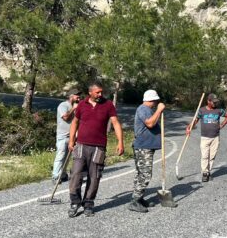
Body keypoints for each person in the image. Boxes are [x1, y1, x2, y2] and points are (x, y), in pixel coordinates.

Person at [67, 82, 124, 218]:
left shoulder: (108, 104)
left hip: (99, 147)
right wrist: (71, 140)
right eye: (97, 92)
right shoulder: (82, 104)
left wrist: (120, 142)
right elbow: (75, 122)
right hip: (81, 145)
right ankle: (75, 202)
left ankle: (88, 204)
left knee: (94, 176)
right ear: (90, 93)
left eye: (101, 92)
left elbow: (115, 123)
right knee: (76, 174)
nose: (100, 94)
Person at [128, 89, 167, 213]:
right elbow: (150, 123)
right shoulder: (143, 109)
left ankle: (139, 198)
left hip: (146, 146)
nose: (157, 102)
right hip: (143, 147)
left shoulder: (147, 110)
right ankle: (134, 201)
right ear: (152, 99)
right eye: (156, 101)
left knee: (140, 174)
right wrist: (159, 110)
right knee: (145, 174)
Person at [185, 93, 227, 182]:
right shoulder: (202, 110)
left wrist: (222, 125)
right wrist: (189, 127)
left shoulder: (219, 110)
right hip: (205, 137)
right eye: (213, 102)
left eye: (216, 102)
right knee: (205, 156)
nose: (215, 103)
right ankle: (205, 173)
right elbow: (195, 120)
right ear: (208, 101)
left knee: (212, 156)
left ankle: (209, 171)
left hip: (215, 137)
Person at [51, 89, 81, 184]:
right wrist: (73, 108)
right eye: (77, 96)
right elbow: (65, 117)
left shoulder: (77, 107)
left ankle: (63, 175)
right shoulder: (63, 105)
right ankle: (55, 176)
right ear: (71, 96)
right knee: (61, 156)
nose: (79, 98)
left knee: (67, 157)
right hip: (63, 136)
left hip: (72, 136)